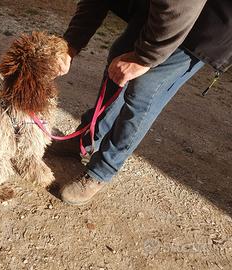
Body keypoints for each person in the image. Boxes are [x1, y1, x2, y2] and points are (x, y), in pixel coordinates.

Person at [53, 0, 232, 205]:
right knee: (119, 60)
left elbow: (181, 5)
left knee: (145, 88)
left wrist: (144, 58)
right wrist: (70, 44)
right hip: (162, 9)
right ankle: (86, 140)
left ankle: (102, 170)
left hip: (205, 22)